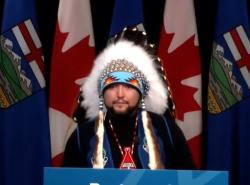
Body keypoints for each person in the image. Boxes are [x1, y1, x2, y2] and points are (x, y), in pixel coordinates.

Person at [62, 30, 195, 170]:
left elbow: (188, 179)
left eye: (128, 86)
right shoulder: (82, 136)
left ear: (141, 92)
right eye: (112, 86)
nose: (120, 94)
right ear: (102, 91)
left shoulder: (166, 130)